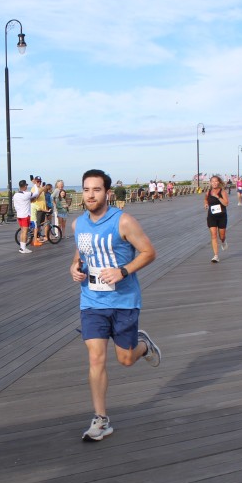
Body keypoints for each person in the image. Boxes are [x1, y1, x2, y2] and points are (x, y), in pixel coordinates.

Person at [70, 169, 161, 441]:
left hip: (123, 301)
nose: (90, 195)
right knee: (95, 358)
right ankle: (100, 419)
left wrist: (123, 271)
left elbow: (149, 252)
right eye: (86, 189)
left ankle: (143, 346)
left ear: (107, 193)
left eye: (96, 190)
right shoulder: (78, 225)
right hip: (91, 301)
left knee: (125, 359)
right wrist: (75, 268)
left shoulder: (123, 221)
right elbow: (81, 254)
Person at [204, 175, 229, 263]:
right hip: (211, 216)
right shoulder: (208, 192)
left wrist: (217, 197)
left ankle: (223, 241)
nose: (214, 183)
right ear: (210, 183)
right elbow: (206, 199)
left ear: (219, 182)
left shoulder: (222, 192)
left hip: (222, 216)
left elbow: (226, 204)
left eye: (216, 181)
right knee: (213, 235)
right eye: (213, 181)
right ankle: (216, 256)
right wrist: (206, 203)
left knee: (221, 236)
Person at [12, 180, 35, 254]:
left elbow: (15, 205)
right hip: (25, 215)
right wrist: (35, 184)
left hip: (19, 215)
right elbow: (36, 193)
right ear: (25, 186)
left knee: (22, 231)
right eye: (26, 185)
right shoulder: (27, 194)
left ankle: (22, 247)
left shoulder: (15, 195)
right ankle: (23, 248)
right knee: (25, 232)